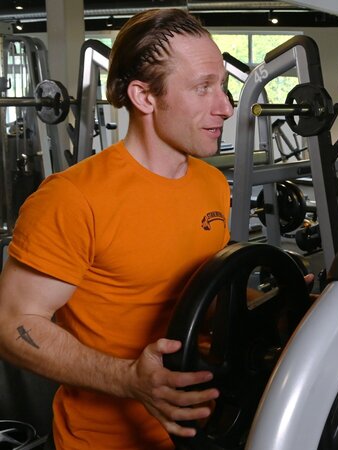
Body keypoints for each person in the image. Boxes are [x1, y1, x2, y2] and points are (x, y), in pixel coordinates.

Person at [0, 9, 234, 449]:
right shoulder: (72, 198)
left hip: (204, 429)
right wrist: (129, 379)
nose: (225, 106)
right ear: (144, 97)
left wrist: (273, 303)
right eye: (204, 88)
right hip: (104, 440)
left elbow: (200, 289)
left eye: (221, 85)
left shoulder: (212, 183)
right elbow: (12, 325)